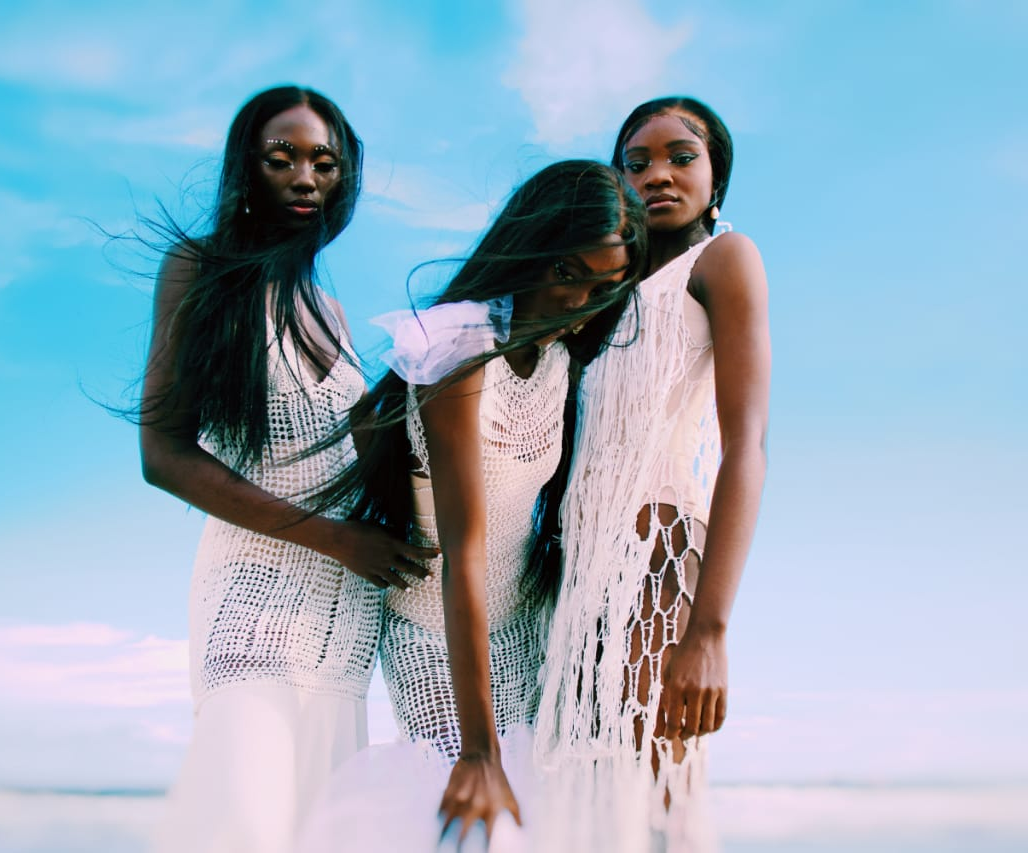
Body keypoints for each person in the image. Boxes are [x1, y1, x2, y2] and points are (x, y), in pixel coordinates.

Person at [295, 159, 648, 852]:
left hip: (525, 628)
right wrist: (479, 750)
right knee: (474, 824)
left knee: (539, 828)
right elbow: (465, 549)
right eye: (569, 273)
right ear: (532, 247)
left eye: (606, 288)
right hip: (436, 631)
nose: (582, 303)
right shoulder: (457, 344)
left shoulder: (559, 358)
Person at [137, 85, 435, 853]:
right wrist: (336, 538)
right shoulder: (201, 269)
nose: (306, 176)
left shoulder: (326, 311)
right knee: (241, 827)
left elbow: (350, 452)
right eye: (284, 158)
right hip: (253, 613)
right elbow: (163, 453)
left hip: (343, 632)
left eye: (324, 163)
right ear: (249, 166)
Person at [532, 96, 771, 852]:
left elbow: (747, 448)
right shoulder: (606, 298)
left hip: (659, 573)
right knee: (591, 810)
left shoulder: (723, 259)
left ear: (716, 177)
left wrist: (709, 632)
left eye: (680, 156)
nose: (656, 175)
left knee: (656, 810)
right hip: (582, 588)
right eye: (634, 164)